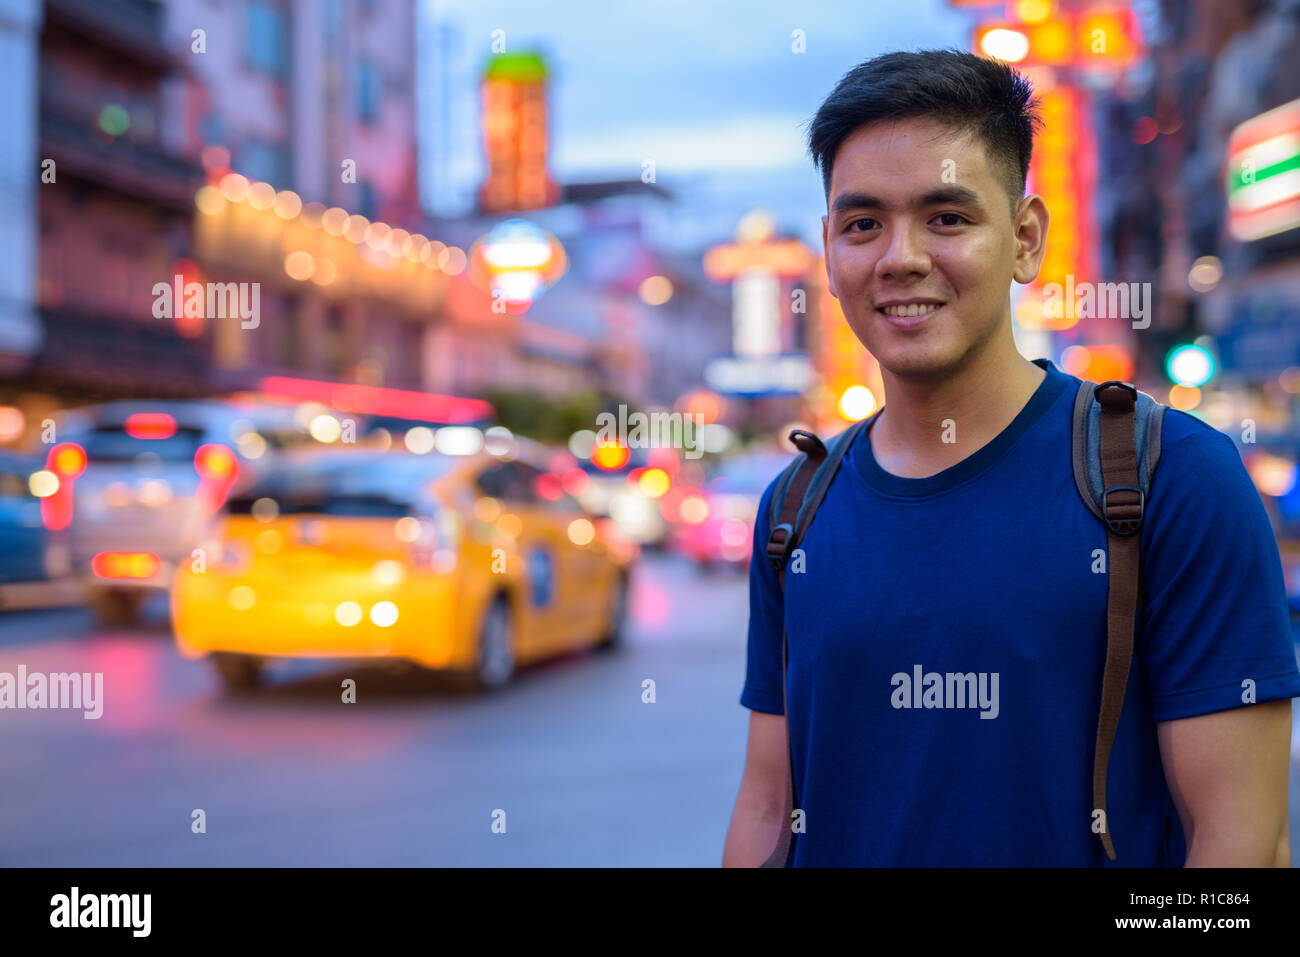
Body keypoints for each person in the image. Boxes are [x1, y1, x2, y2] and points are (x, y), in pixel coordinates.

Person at [722, 49, 1300, 867]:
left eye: (948, 217)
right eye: (863, 224)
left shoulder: (1174, 479)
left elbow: (1240, 842)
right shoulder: (795, 509)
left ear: (1026, 240)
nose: (901, 258)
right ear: (829, 249)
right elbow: (767, 805)